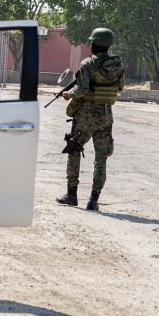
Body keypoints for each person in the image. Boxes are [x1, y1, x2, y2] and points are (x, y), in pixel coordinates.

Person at [57, 27, 125, 211]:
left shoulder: (88, 64)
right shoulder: (118, 65)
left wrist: (68, 94)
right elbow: (120, 88)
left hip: (86, 115)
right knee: (101, 158)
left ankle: (71, 195)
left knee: (74, 150)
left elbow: (83, 90)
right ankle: (93, 201)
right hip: (105, 116)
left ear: (95, 43)